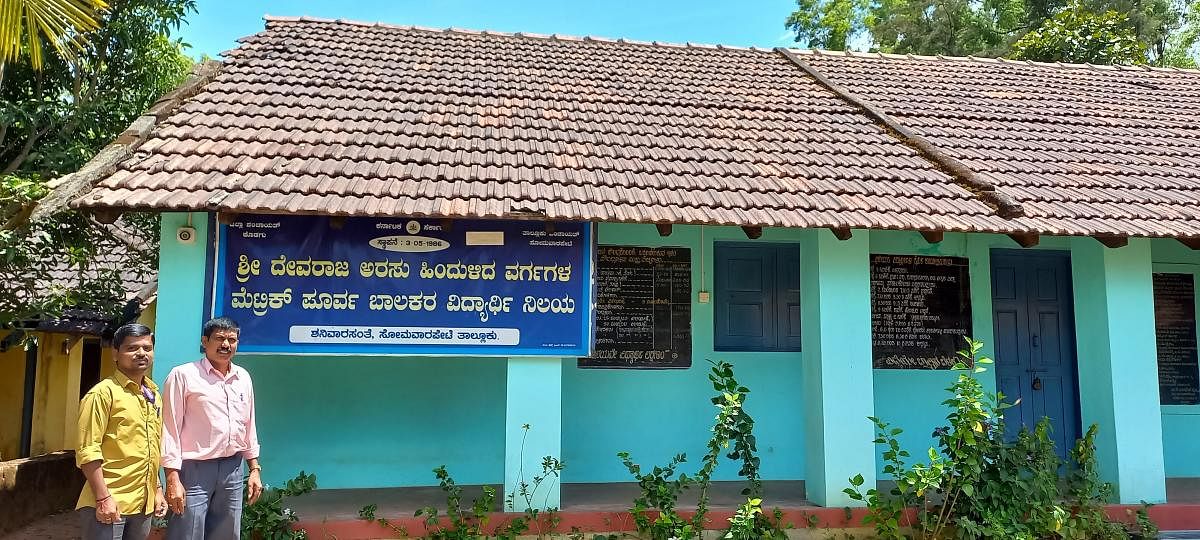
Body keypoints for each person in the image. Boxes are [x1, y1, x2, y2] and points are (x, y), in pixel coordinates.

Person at [162, 317, 263, 540]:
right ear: (204, 341)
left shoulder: (243, 377)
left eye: (232, 340)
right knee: (186, 532)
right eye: (219, 338)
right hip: (194, 470)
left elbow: (249, 424)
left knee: (227, 533)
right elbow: (170, 429)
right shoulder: (183, 375)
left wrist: (254, 468)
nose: (225, 345)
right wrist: (172, 477)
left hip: (233, 469)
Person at [76, 323, 168, 540]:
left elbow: (151, 448)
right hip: (110, 502)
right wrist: (103, 497)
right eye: (132, 348)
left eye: (147, 348)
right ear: (115, 353)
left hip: (142, 504)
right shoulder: (102, 394)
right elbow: (87, 451)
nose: (141, 353)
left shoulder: (153, 392)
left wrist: (157, 489)